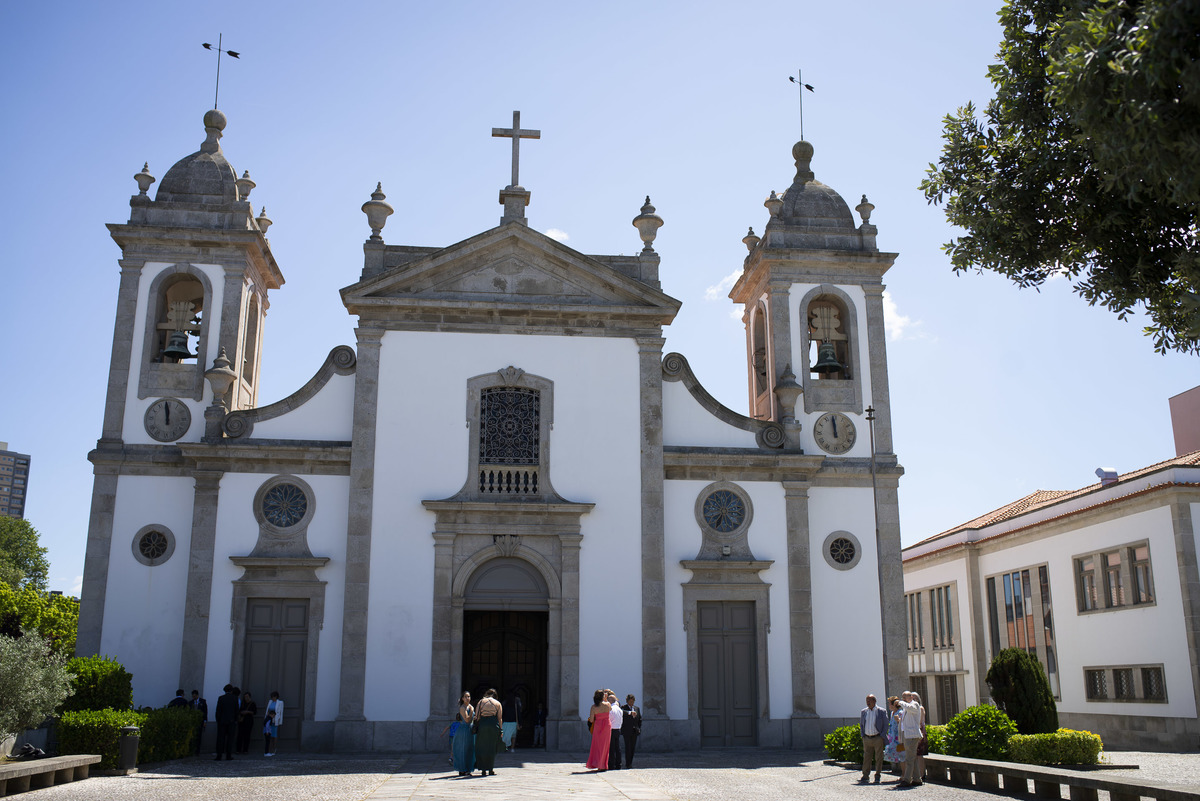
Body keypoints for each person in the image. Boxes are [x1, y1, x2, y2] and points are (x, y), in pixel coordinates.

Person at [473, 688, 503, 776]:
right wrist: (501, 730)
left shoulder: (481, 702)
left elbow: (477, 716)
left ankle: (483, 769)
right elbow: (500, 718)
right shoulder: (497, 703)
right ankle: (490, 769)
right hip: (493, 725)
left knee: (482, 747)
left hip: (483, 725)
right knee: (492, 748)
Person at [859, 693, 888, 783]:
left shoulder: (881, 711)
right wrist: (863, 735)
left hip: (877, 737)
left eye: (870, 700)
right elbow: (862, 724)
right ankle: (865, 775)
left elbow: (886, 724)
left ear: (874, 701)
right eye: (867, 700)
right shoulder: (864, 712)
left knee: (878, 757)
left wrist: (882, 735)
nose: (868, 702)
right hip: (867, 738)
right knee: (867, 757)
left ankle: (877, 775)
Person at [898, 690, 925, 786]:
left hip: (913, 735)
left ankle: (907, 779)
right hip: (908, 735)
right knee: (912, 758)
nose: (903, 699)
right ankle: (917, 779)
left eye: (905, 697)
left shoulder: (915, 705)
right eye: (902, 697)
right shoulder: (906, 707)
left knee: (909, 758)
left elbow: (909, 708)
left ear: (911, 697)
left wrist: (901, 702)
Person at [585, 689, 612, 771]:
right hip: (607, 726)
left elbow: (592, 720)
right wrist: (605, 700)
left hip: (598, 726)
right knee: (605, 746)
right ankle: (603, 765)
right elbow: (610, 710)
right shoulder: (608, 704)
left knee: (597, 746)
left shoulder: (593, 707)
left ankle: (597, 763)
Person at [451, 691, 476, 776]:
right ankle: (462, 769)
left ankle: (468, 768)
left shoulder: (470, 707)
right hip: (464, 730)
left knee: (469, 750)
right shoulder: (462, 708)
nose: (467, 698)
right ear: (462, 698)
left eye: (469, 696)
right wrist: (472, 711)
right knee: (462, 750)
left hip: (470, 730)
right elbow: (467, 720)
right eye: (465, 696)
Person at [213, 684, 238, 760]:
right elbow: (236, 710)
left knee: (220, 738)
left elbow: (218, 711)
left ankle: (219, 755)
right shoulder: (235, 698)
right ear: (231, 690)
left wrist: (218, 720)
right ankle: (228, 755)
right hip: (231, 721)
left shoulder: (221, 698)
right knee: (230, 739)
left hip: (222, 721)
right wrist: (235, 720)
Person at [883, 696, 905, 776]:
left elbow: (903, 725)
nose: (889, 705)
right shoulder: (893, 713)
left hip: (899, 739)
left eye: (889, 703)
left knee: (902, 757)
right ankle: (903, 774)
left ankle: (904, 774)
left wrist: (898, 721)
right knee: (899, 757)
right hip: (893, 739)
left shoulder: (900, 713)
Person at [620, 694, 641, 768]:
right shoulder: (623, 708)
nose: (632, 703)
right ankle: (628, 763)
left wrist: (638, 728)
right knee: (627, 747)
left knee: (632, 747)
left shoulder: (637, 708)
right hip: (627, 730)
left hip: (634, 730)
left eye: (633, 701)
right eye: (630, 701)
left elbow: (639, 719)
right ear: (627, 701)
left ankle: (630, 762)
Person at [606, 691, 623, 770]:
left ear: (610, 701)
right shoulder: (619, 709)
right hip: (618, 729)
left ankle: (611, 764)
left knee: (611, 748)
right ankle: (618, 764)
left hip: (612, 729)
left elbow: (609, 719)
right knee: (618, 748)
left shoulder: (611, 709)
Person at [264, 691, 284, 756]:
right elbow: (268, 710)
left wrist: (279, 721)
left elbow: (280, 712)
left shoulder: (280, 703)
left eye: (274, 697)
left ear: (276, 697)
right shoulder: (270, 702)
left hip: (275, 721)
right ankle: (269, 749)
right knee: (269, 735)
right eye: (272, 697)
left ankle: (274, 749)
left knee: (274, 736)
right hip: (269, 720)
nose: (273, 698)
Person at [191, 690, 208, 755]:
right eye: (193, 696)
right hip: (193, 721)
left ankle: (197, 751)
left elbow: (205, 712)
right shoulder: (191, 702)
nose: (193, 697)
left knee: (199, 736)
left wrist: (205, 721)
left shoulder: (203, 702)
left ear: (197, 695)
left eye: (194, 696)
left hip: (200, 721)